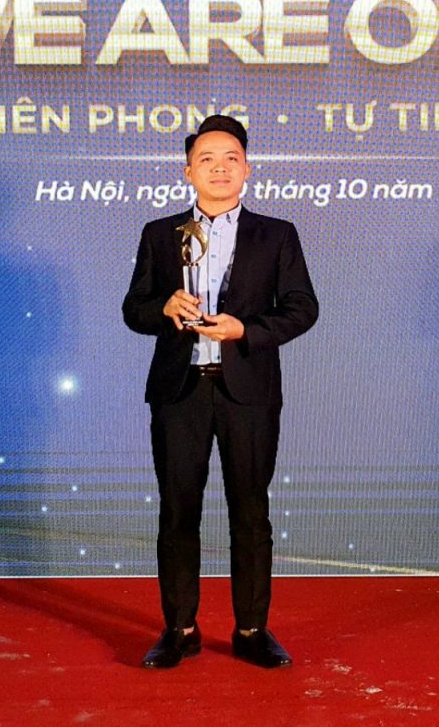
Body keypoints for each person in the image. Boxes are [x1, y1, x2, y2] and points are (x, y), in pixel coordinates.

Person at [122, 114, 319, 669]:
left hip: (248, 392)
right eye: (206, 159)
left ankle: (252, 629)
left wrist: (244, 330)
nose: (219, 168)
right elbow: (134, 310)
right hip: (179, 391)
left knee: (250, 513)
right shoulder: (159, 234)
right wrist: (163, 308)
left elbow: (303, 308)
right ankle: (180, 629)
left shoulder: (277, 234)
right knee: (177, 512)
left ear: (247, 169)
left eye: (231, 158)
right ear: (188, 172)